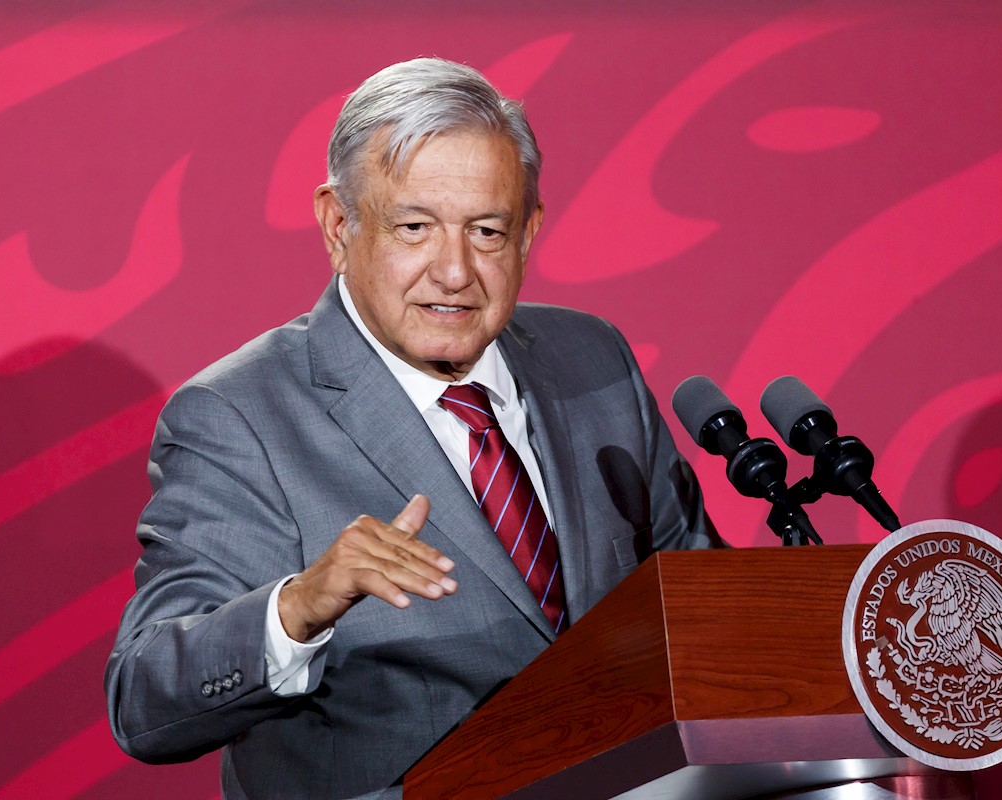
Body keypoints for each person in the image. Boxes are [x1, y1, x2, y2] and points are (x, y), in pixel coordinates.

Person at [105, 57, 719, 799]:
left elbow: (703, 608)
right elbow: (144, 701)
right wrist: (298, 607)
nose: (454, 271)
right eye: (415, 228)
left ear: (529, 232)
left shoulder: (592, 360)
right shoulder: (240, 417)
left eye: (487, 231)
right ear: (339, 226)